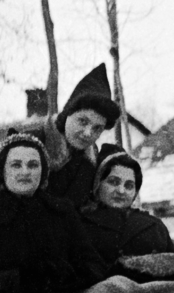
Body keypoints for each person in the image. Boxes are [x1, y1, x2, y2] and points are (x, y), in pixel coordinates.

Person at [0, 132, 109, 293]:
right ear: (1, 170)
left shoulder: (62, 211)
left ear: (43, 172)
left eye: (33, 165)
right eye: (16, 165)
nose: (25, 172)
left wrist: (65, 277)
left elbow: (95, 266)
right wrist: (25, 278)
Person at [79, 147, 174, 282]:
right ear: (98, 184)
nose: (121, 191)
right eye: (113, 182)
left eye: (129, 185)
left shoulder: (154, 226)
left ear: (135, 192)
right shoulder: (80, 225)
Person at [41, 64, 121, 210]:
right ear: (67, 114)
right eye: (83, 121)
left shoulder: (93, 162)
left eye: (97, 128)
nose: (88, 133)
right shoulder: (35, 144)